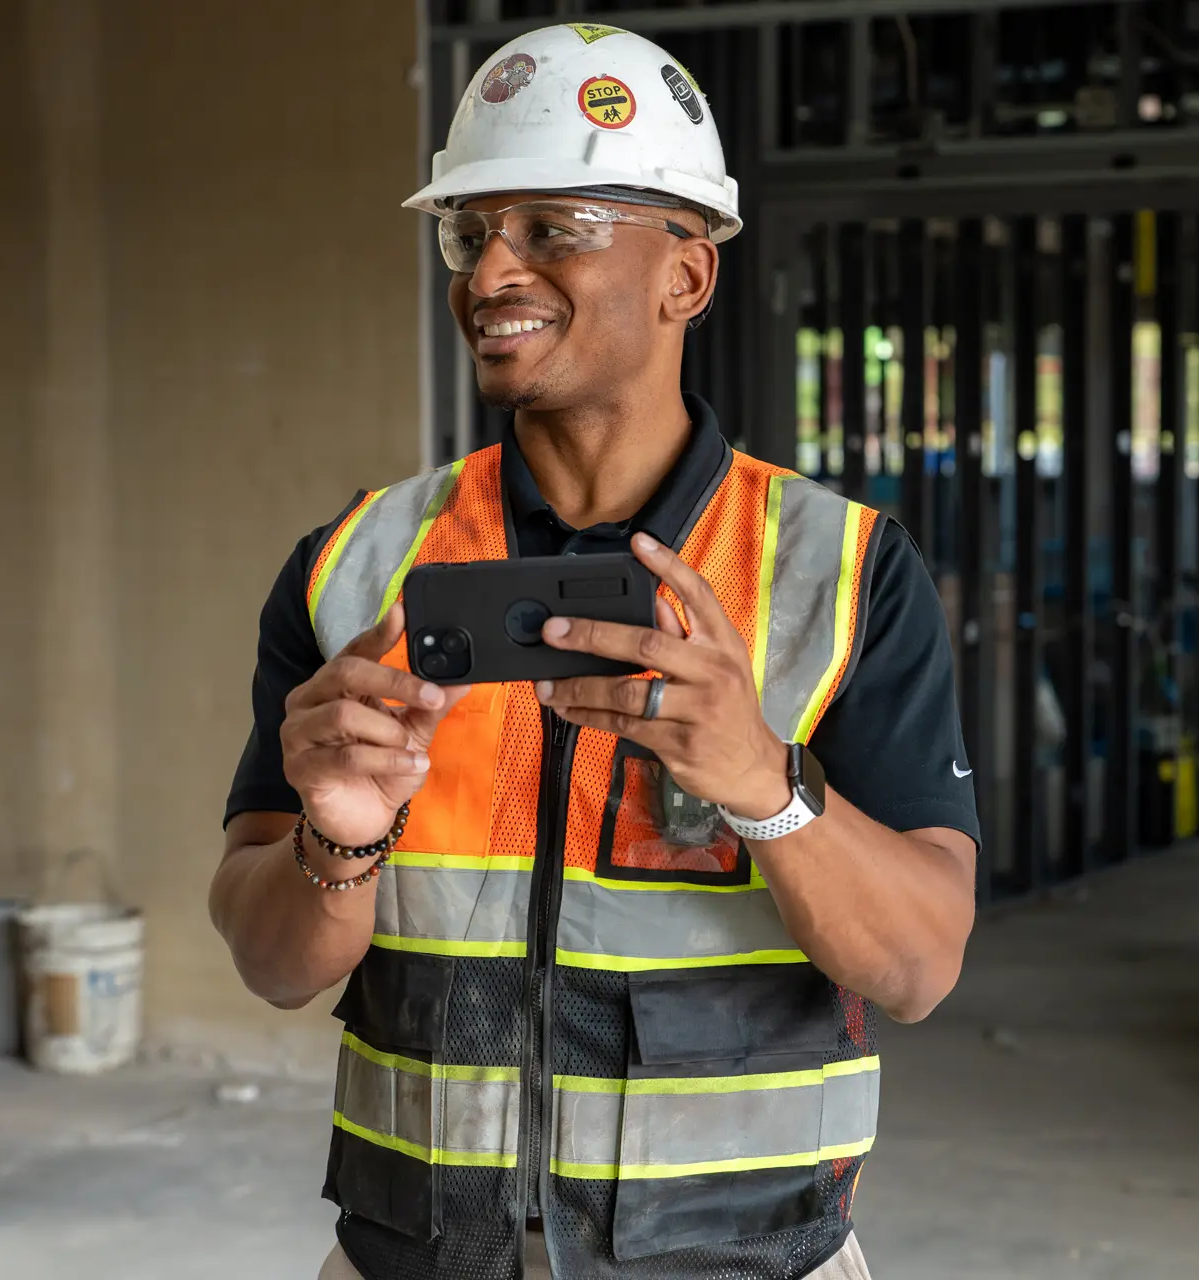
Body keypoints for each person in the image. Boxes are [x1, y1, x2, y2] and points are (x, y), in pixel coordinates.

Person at [207, 23, 979, 1280]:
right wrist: (337, 835)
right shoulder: (353, 565)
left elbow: (918, 962)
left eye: (553, 226)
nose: (488, 269)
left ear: (686, 274)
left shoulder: (839, 570)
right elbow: (270, 957)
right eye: (470, 232)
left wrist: (764, 784)